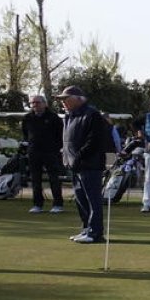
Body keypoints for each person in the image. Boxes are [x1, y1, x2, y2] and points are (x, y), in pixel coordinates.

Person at [56, 86, 107, 243]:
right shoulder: (69, 116)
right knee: (80, 199)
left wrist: (79, 156)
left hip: (89, 164)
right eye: (62, 99)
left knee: (93, 200)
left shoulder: (92, 115)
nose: (63, 102)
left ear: (79, 99)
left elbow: (94, 140)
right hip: (75, 165)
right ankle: (86, 229)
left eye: (66, 99)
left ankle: (95, 233)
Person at [21, 94, 64, 214]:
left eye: (37, 102)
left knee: (54, 179)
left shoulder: (54, 117)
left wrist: (56, 148)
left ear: (45, 104)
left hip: (51, 152)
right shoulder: (27, 118)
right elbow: (26, 134)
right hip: (34, 152)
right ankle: (37, 204)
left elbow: (60, 135)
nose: (34, 105)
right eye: (32, 103)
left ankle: (58, 204)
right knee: (35, 180)